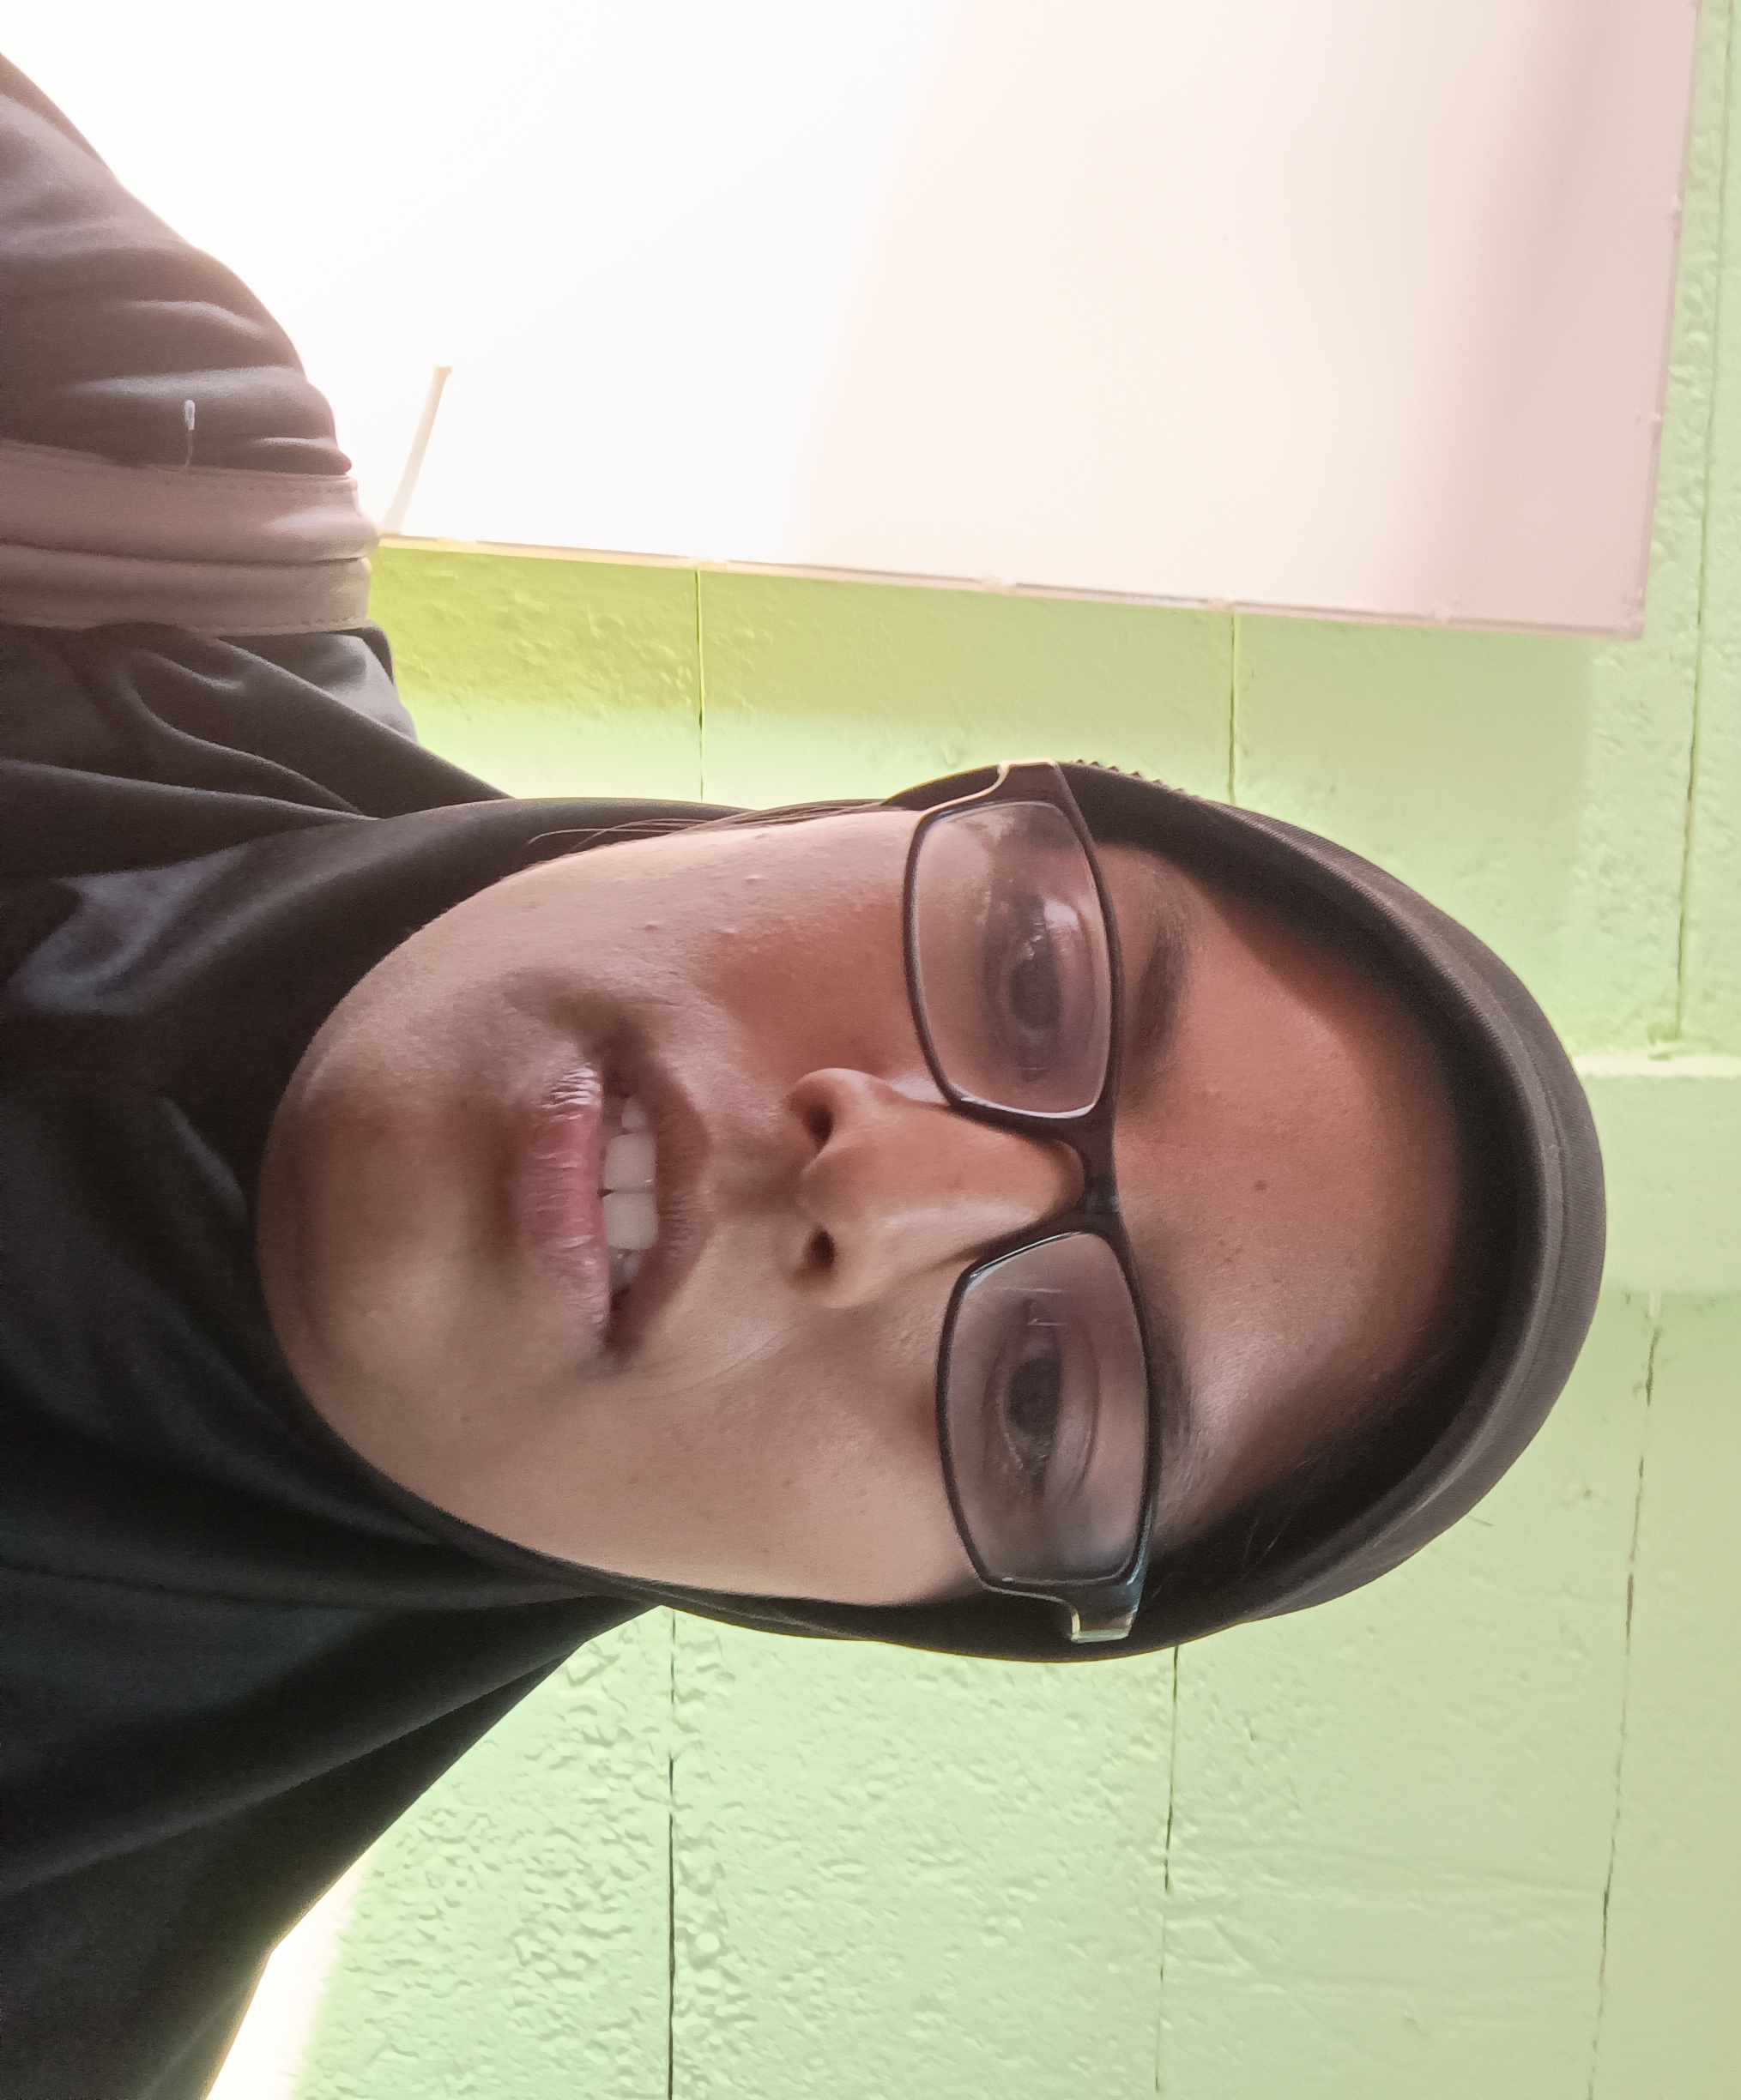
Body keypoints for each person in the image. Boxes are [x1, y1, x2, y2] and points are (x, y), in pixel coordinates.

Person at [0, 57, 1604, 2098]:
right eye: (1034, 978)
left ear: (869, 1611)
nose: (884, 1183)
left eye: (1041, 1401)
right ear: (867, 815)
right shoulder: (121, 465)